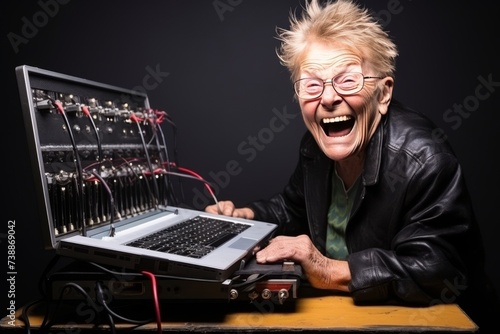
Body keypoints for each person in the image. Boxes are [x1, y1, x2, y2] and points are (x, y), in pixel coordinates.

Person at [205, 0, 499, 331]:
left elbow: (438, 270)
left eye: (347, 80)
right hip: (339, 318)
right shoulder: (315, 149)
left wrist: (328, 269)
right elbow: (291, 209)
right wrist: (247, 217)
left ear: (383, 94)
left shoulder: (424, 159)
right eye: (312, 84)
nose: (328, 98)